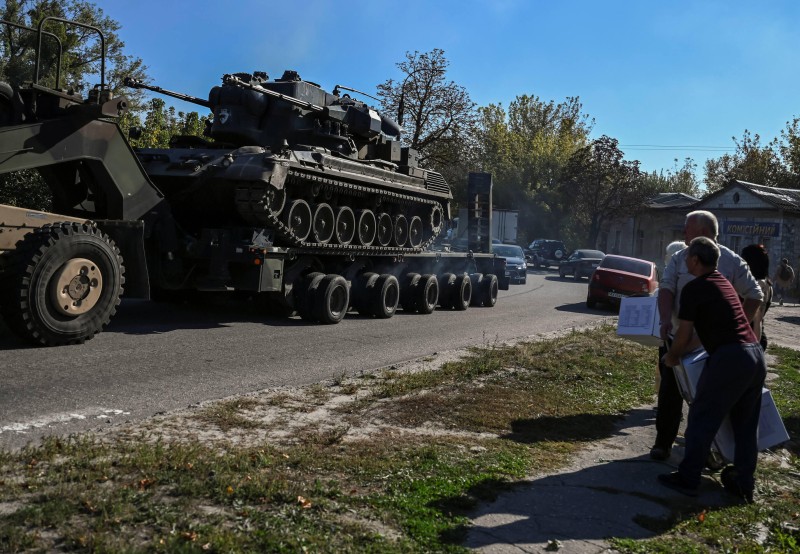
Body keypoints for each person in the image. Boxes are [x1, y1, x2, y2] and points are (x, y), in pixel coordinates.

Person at [658, 236, 766, 502]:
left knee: (701, 417)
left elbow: (683, 335)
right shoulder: (724, 283)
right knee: (744, 425)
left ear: (695, 260)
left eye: (686, 257)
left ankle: (688, 478)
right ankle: (743, 482)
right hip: (754, 355)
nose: (684, 261)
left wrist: (671, 357)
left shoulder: (695, 288)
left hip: (730, 357)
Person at [740, 244, 772, 350]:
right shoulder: (765, 283)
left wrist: (754, 348)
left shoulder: (760, 285)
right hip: (752, 338)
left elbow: (757, 319)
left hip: (751, 339)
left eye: (743, 260)